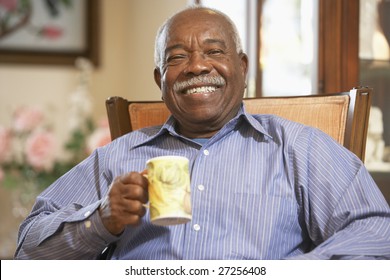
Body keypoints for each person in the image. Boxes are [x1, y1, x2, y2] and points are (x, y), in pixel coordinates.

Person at [15, 6, 390, 260]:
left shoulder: (298, 147)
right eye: (177, 57)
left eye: (214, 51)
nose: (196, 66)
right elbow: (27, 249)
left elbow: (375, 230)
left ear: (241, 68)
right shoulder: (117, 157)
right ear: (161, 80)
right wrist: (100, 221)